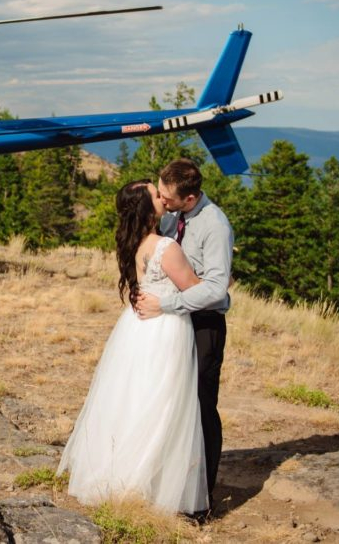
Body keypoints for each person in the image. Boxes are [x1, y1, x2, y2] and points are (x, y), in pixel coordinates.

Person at [58, 180, 208, 514]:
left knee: (132, 397)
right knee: (163, 401)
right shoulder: (165, 248)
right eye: (156, 195)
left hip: (136, 328)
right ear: (145, 206)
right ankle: (149, 484)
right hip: (164, 328)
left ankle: (119, 474)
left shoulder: (133, 243)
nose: (163, 196)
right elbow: (196, 291)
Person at [135, 158, 233, 511]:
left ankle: (200, 499)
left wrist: (167, 304)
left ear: (189, 199)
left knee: (202, 406)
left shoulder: (215, 226)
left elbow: (216, 290)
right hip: (175, 325)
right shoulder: (175, 217)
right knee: (173, 402)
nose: (161, 200)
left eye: (166, 197)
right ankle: (170, 482)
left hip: (204, 324)